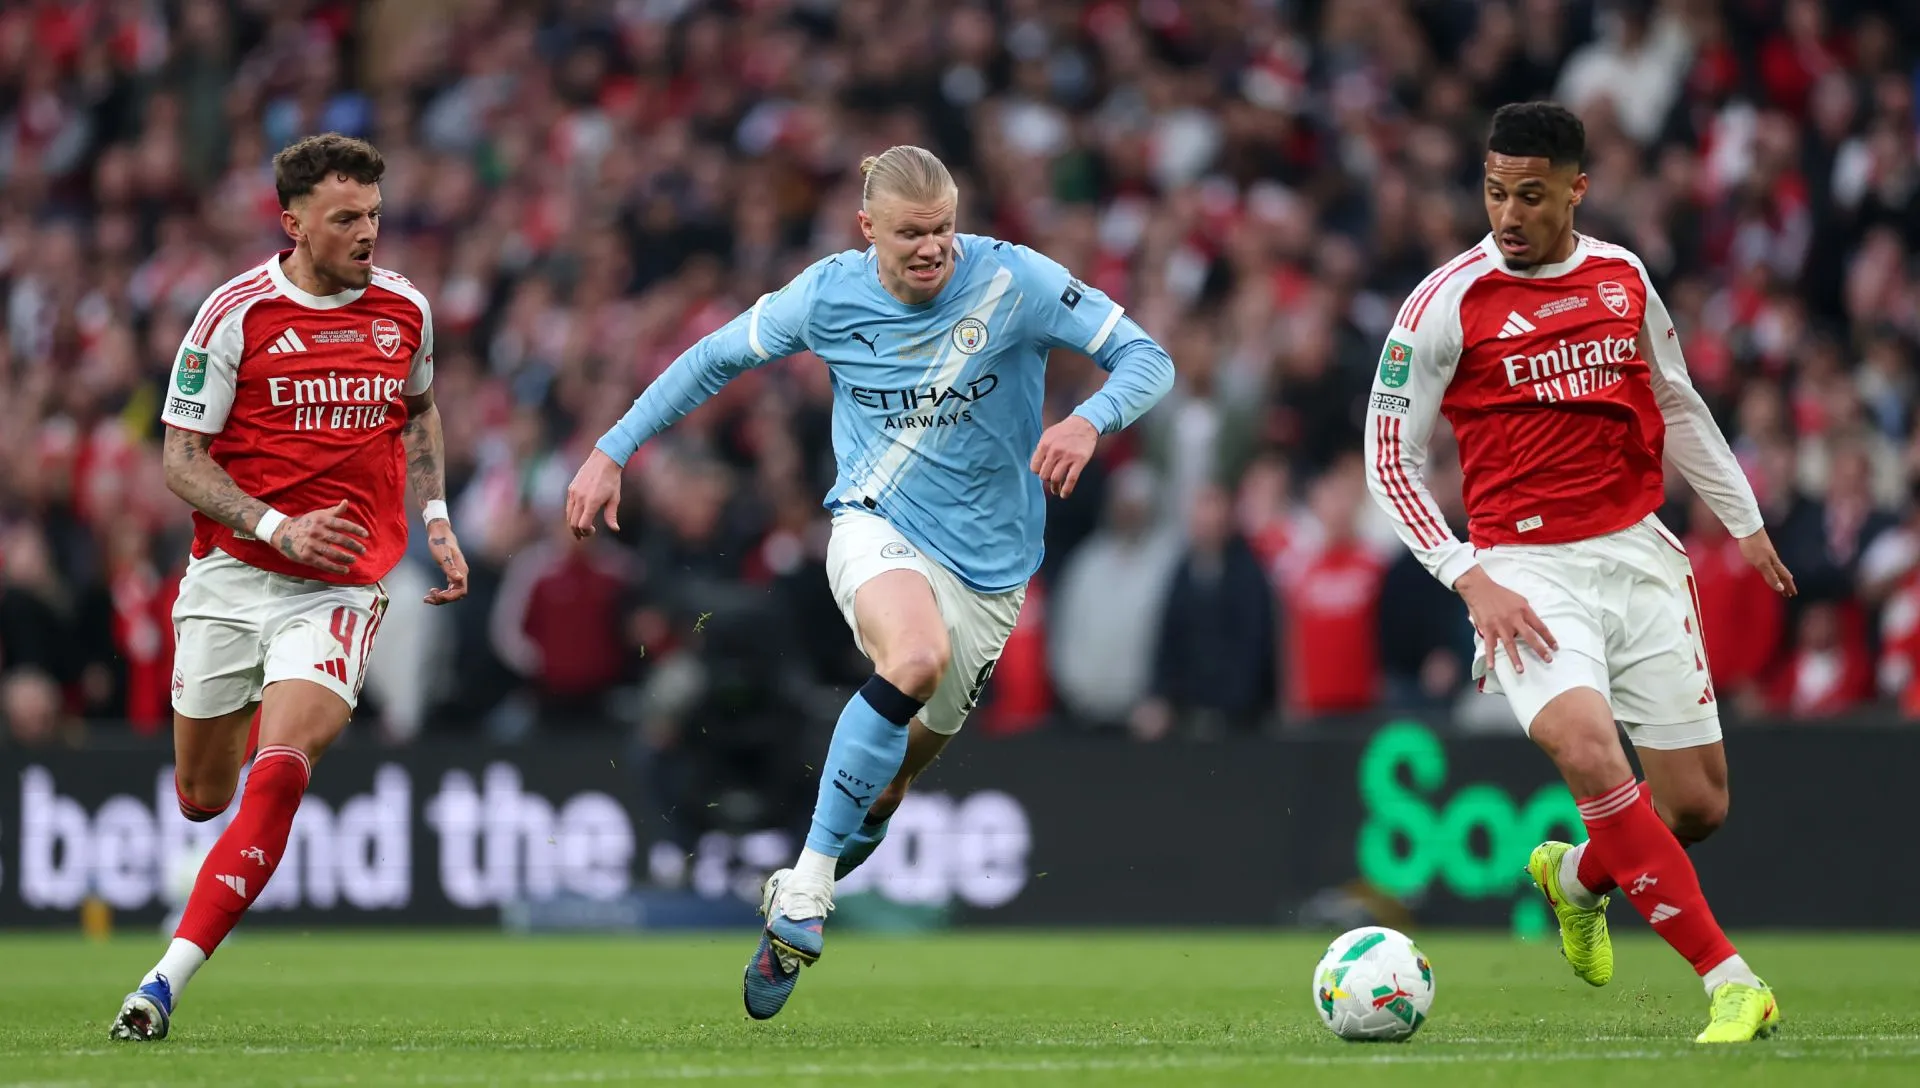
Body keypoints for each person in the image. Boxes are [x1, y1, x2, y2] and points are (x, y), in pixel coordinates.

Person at [566, 145, 1174, 1020]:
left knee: (887, 789)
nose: (932, 250)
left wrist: (1088, 418)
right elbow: (710, 359)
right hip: (872, 524)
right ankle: (810, 891)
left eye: (943, 231)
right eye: (911, 235)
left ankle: (797, 893)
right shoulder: (826, 293)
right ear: (867, 231)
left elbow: (1149, 358)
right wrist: (611, 449)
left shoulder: (1017, 282)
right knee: (914, 656)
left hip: (992, 576)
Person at [1362, 103, 1796, 1044]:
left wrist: (1746, 521)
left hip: (1637, 555)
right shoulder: (1444, 301)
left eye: (1528, 195)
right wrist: (1468, 576)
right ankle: (1732, 981)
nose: (1507, 215)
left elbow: (1675, 402)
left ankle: (1575, 878)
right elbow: (1389, 459)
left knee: (1697, 808)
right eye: (1492, 191)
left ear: (1574, 189)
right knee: (1591, 754)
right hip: (1523, 569)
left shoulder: (1623, 277)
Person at [111, 133, 469, 1042]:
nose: (367, 233)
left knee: (282, 770)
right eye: (346, 217)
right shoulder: (231, 315)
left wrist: (435, 522)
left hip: (341, 585)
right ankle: (210, 815)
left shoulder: (406, 312)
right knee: (202, 794)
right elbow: (180, 460)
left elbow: (419, 417)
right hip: (233, 572)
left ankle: (161, 982)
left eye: (375, 216)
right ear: (293, 223)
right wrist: (276, 525)